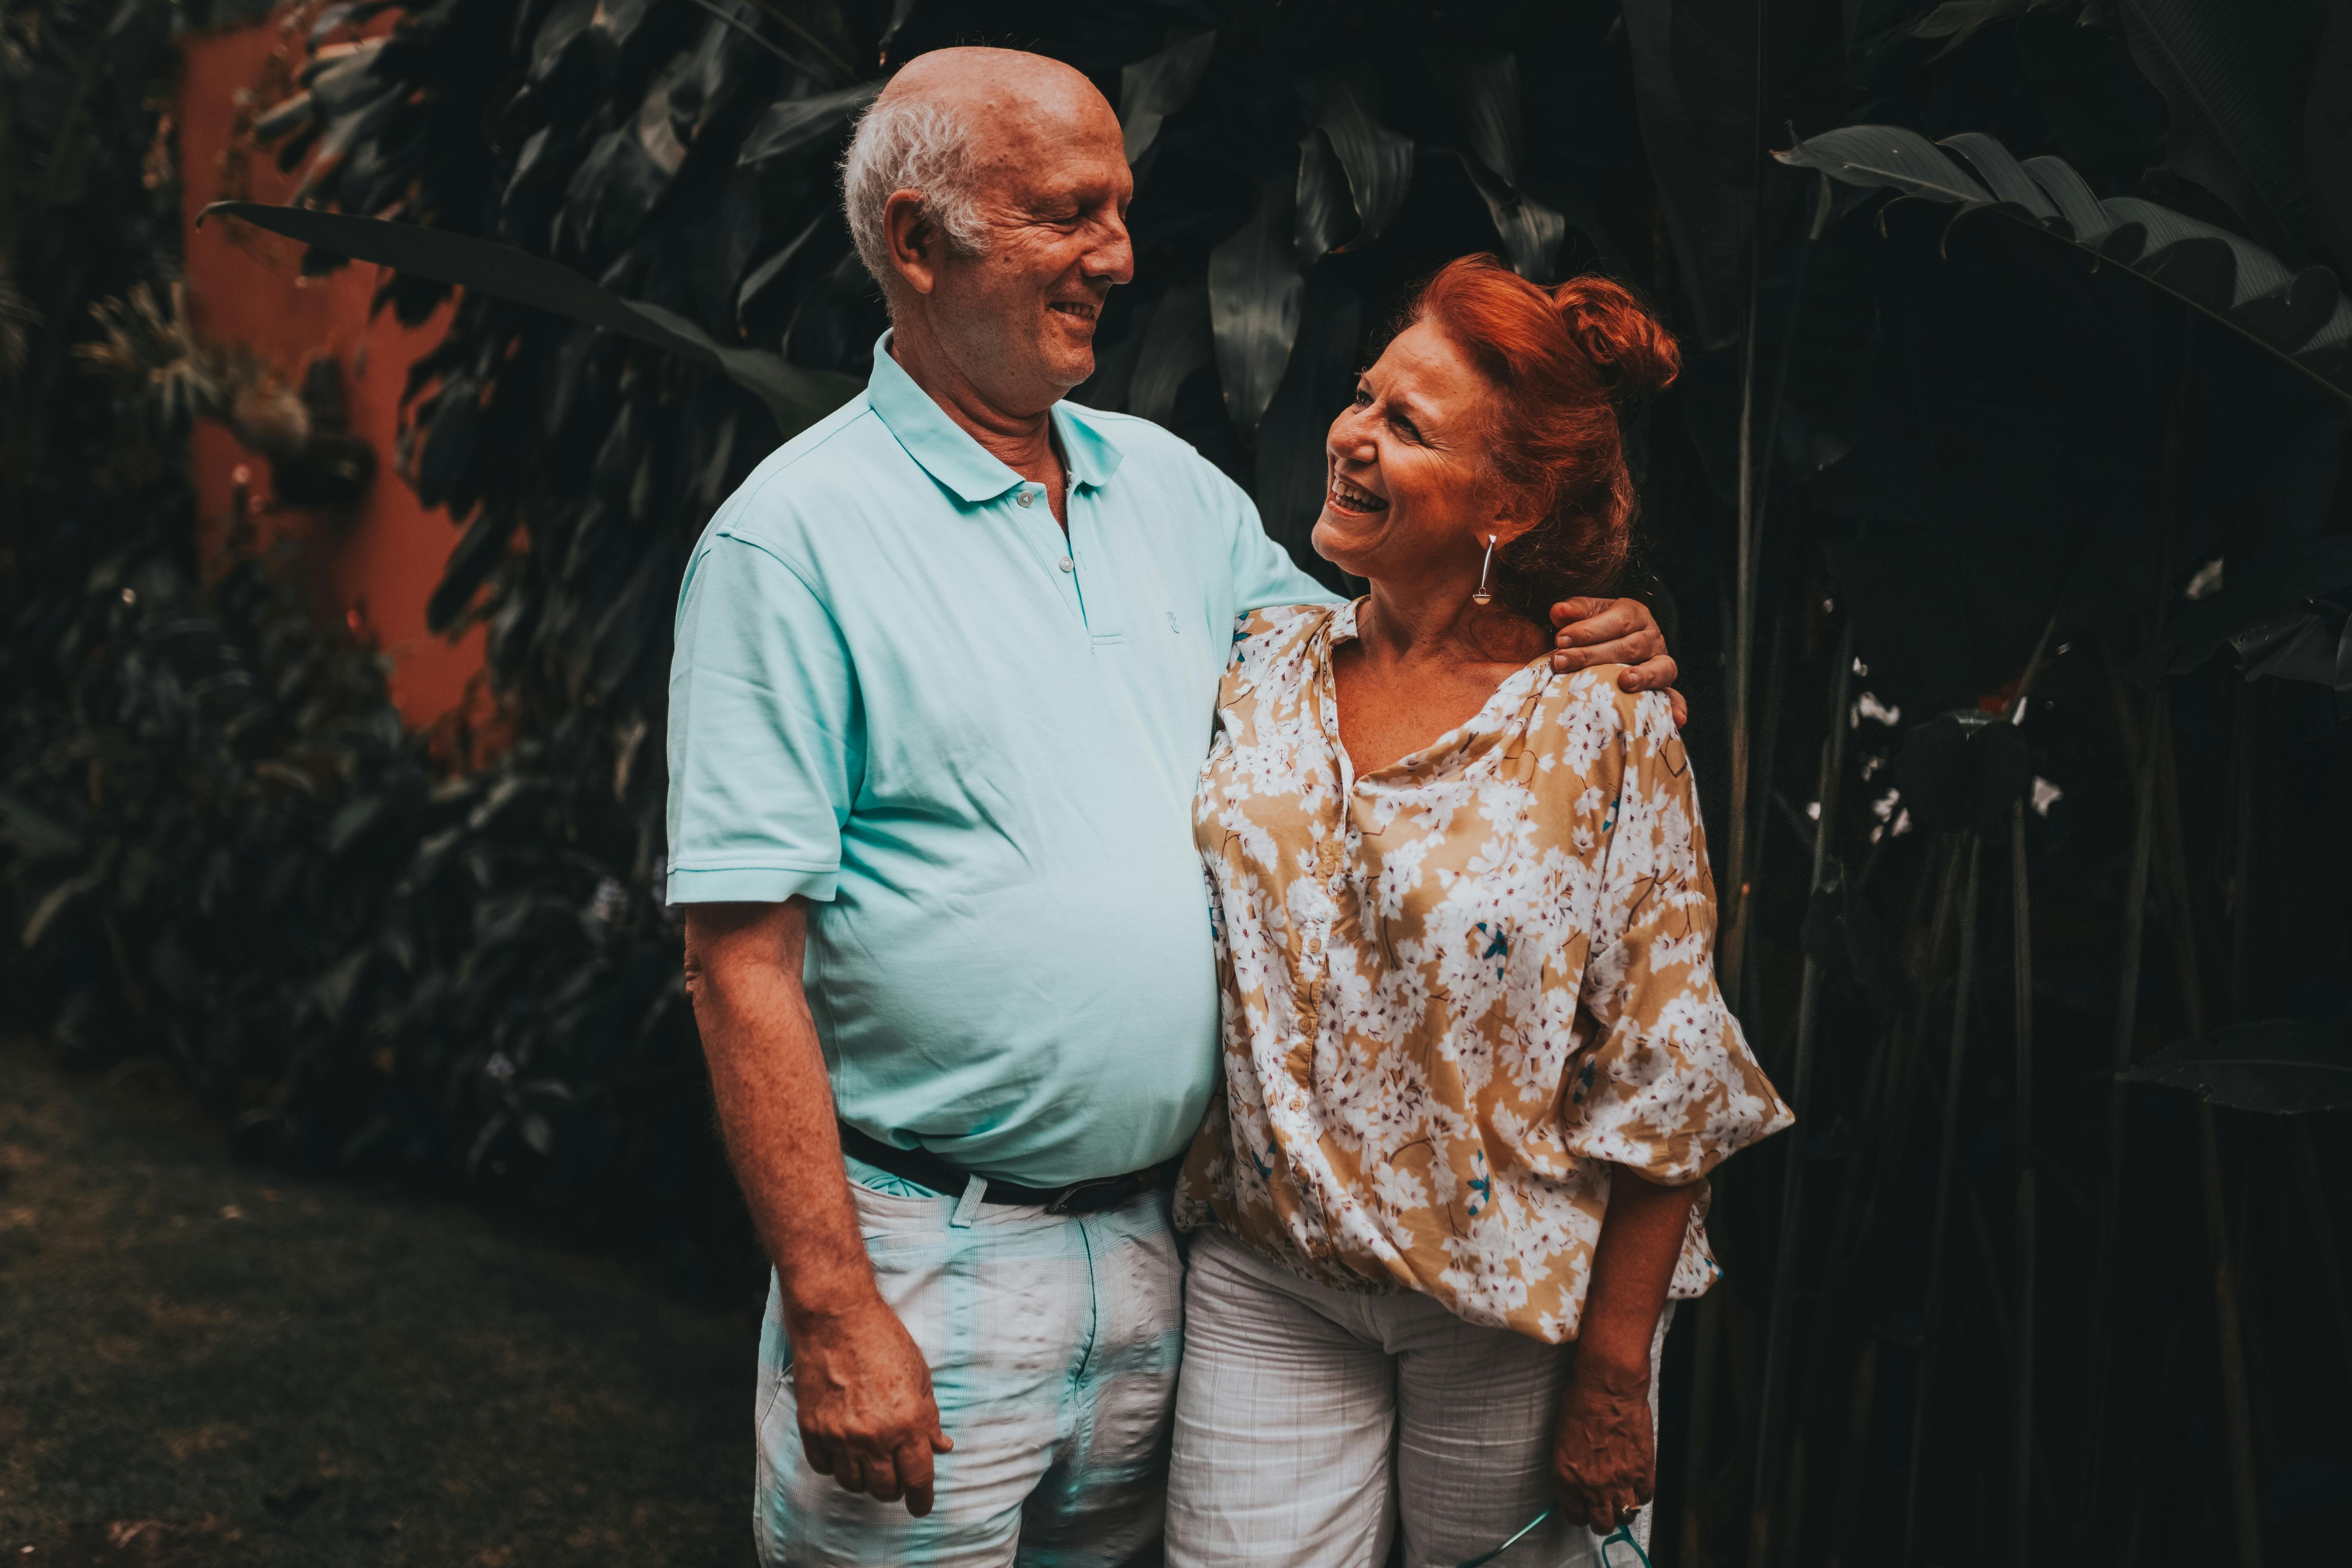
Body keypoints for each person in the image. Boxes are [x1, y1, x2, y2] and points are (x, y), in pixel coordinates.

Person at [668, 48, 1683, 1568]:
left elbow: (1394, 671)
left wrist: (1579, 635)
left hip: (1171, 1267)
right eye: (1069, 214)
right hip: (927, 1263)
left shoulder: (1172, 495)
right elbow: (738, 958)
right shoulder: (792, 545)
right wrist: (831, 1306)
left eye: (1120, 210)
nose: (1122, 258)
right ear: (919, 242)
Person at [1161, 256, 1792, 1568]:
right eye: (1362, 397)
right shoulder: (1262, 665)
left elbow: (1668, 1074)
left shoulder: (1603, 723)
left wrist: (1617, 1375)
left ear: (1508, 502)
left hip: (1520, 1320)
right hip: (1272, 1279)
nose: (1351, 435)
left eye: (1407, 425)